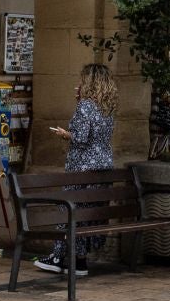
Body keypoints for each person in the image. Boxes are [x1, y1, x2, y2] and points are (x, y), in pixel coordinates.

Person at [35, 63, 118, 277]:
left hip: (82, 168)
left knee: (69, 211)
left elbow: (80, 138)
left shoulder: (85, 106)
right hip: (103, 166)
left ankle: (57, 257)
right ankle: (79, 261)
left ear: (89, 82)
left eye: (82, 80)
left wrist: (65, 134)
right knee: (85, 216)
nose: (78, 83)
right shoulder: (108, 107)